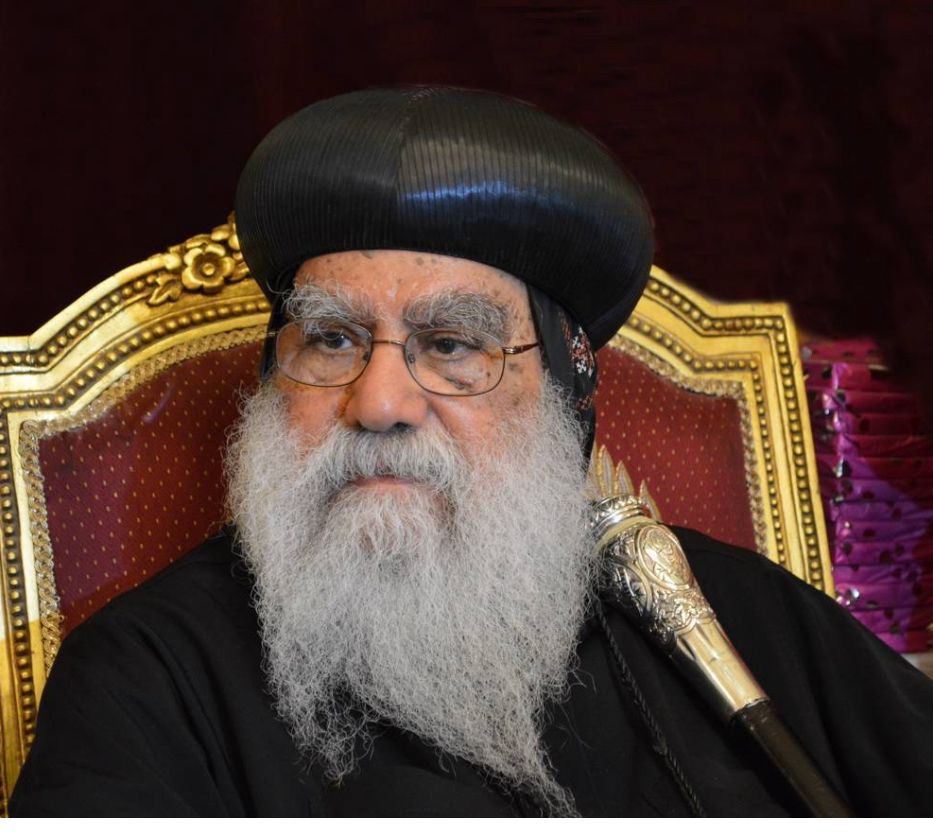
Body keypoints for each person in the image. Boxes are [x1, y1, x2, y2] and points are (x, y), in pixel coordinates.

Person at [10, 87, 933, 817]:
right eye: (330, 339)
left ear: (562, 393)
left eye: (451, 345)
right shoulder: (145, 677)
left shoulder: (724, 611)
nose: (378, 403)